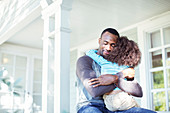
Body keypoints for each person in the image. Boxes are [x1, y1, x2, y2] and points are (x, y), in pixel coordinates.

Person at [76, 28, 157, 113]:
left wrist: (115, 78)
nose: (108, 48)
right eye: (105, 43)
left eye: (113, 45)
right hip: (89, 106)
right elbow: (94, 91)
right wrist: (119, 77)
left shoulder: (117, 63)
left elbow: (138, 92)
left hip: (113, 108)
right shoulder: (84, 60)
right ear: (99, 41)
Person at [85, 36, 141, 111]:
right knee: (138, 108)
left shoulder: (104, 62)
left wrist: (97, 52)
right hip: (122, 97)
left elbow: (89, 52)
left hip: (108, 101)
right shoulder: (127, 67)